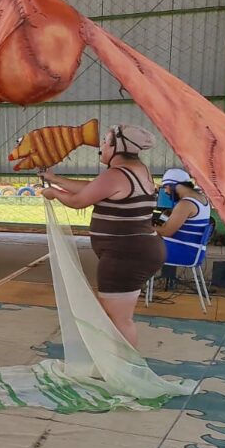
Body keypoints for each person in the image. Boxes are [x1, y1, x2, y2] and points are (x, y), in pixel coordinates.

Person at [40, 124, 163, 348]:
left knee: (119, 320)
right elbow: (93, 188)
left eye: (106, 142)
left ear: (119, 147)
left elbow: (79, 201)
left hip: (126, 255)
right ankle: (119, 367)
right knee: (116, 317)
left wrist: (54, 193)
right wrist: (55, 179)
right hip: (138, 250)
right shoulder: (137, 169)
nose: (101, 147)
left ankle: (125, 371)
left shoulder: (117, 174)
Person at [155, 168, 212, 275]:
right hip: (193, 251)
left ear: (174, 185)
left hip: (185, 252)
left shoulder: (186, 203)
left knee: (137, 245)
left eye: (166, 187)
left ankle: (129, 288)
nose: (166, 192)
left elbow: (166, 231)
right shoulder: (202, 199)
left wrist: (143, 227)